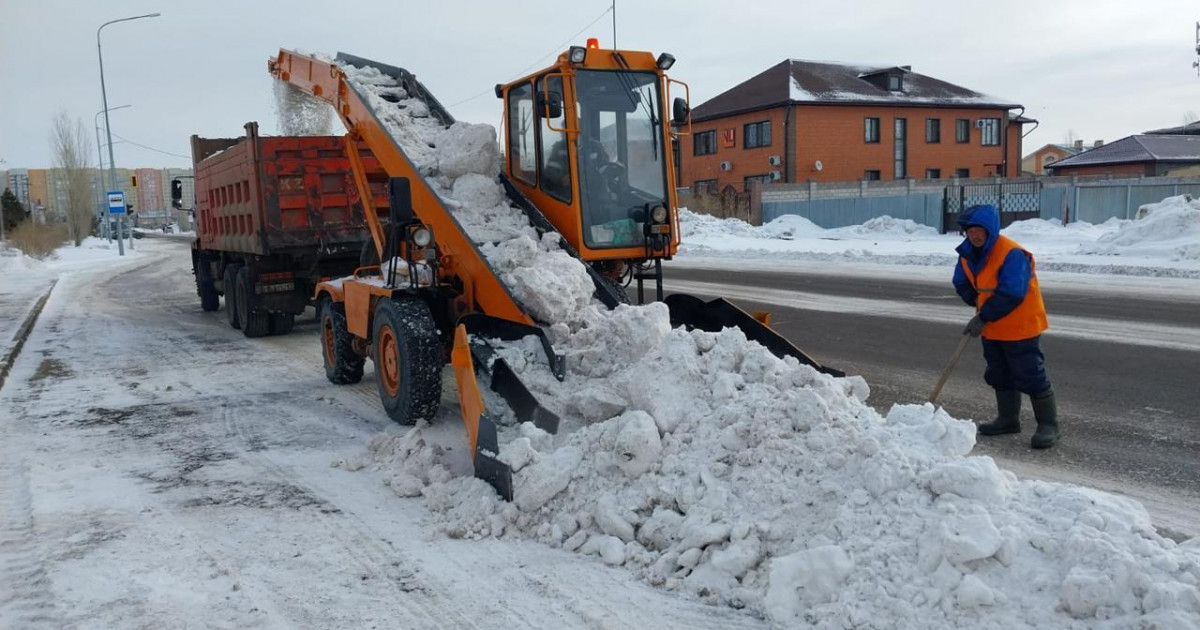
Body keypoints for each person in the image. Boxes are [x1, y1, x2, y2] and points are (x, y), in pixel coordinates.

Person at [952, 204, 1059, 449]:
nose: (974, 236)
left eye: (979, 230)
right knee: (999, 373)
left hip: (1020, 326)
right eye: (970, 231)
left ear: (990, 230)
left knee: (1029, 374)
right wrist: (973, 299)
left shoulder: (1011, 253)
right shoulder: (968, 253)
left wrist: (983, 315)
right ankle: (1008, 419)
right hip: (991, 326)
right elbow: (961, 280)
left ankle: (1049, 425)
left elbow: (1012, 293)